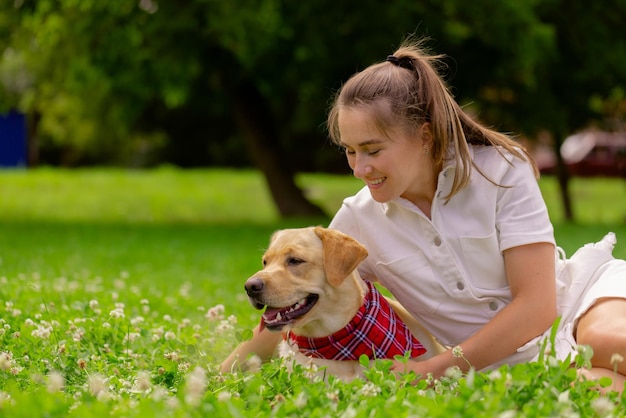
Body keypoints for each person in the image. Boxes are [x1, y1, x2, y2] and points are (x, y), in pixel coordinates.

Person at [222, 39, 626, 392]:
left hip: (574, 307)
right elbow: (301, 295)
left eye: (373, 150)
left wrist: (435, 370)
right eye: (349, 151)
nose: (360, 168)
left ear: (425, 135)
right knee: (592, 391)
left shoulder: (501, 170)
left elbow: (538, 306)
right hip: (494, 366)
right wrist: (217, 376)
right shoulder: (357, 221)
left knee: (612, 344)